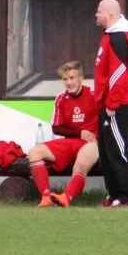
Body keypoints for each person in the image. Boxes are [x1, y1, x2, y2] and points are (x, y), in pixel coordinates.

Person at [27, 61, 99, 208]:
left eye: (72, 78)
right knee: (34, 152)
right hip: (70, 142)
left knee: (80, 166)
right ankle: (46, 196)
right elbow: (56, 128)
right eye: (65, 79)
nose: (69, 82)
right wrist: (79, 133)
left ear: (81, 78)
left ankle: (65, 197)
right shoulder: (61, 99)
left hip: (91, 143)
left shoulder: (94, 95)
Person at [94, 0, 128, 208]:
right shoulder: (111, 35)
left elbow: (118, 74)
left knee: (119, 150)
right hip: (109, 104)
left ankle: (127, 197)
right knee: (106, 151)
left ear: (110, 16)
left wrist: (112, 104)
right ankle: (114, 195)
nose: (95, 15)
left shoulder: (119, 38)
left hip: (120, 104)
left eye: (99, 12)